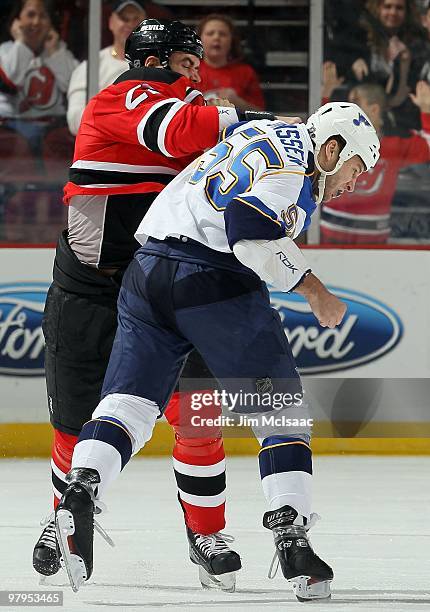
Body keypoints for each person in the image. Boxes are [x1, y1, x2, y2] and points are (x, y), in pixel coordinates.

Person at [55, 102, 380, 599]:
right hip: (213, 280)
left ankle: (81, 485)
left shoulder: (268, 132)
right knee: (281, 414)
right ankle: (292, 538)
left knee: (130, 404)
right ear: (331, 148)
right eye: (357, 167)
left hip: (148, 271)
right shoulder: (297, 168)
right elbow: (247, 231)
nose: (356, 182)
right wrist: (315, 289)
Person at [33, 18, 290, 591]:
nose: (197, 72)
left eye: (198, 63)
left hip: (172, 289)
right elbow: (178, 131)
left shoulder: (195, 106)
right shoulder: (120, 100)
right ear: (153, 59)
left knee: (199, 422)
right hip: (93, 292)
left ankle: (208, 533)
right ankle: (63, 521)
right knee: (77, 426)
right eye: (185, 62)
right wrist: (255, 118)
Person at [321, 72, 430, 243]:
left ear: (374, 109)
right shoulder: (339, 136)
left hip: (374, 236)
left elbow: (427, 148)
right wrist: (325, 94)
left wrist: (426, 111)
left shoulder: (396, 142)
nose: (349, 109)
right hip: (330, 230)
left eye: (356, 103)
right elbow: (320, 129)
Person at [0, 0, 77, 148]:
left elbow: (71, 86)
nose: (36, 22)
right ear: (17, 20)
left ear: (50, 22)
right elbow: (11, 82)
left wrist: (54, 53)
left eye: (42, 16)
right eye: (30, 15)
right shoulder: (5, 51)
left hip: (53, 127)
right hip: (12, 126)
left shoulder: (59, 51)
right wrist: (22, 43)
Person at [67, 0, 146, 136]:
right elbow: (75, 120)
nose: (130, 25)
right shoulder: (91, 66)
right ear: (111, 22)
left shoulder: (158, 65)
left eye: (136, 19)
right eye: (124, 19)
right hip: (103, 147)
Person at [197, 14, 265, 111]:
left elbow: (261, 112)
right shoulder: (188, 71)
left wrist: (237, 101)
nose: (216, 37)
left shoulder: (245, 72)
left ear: (231, 41)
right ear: (199, 39)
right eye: (210, 33)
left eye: (223, 34)